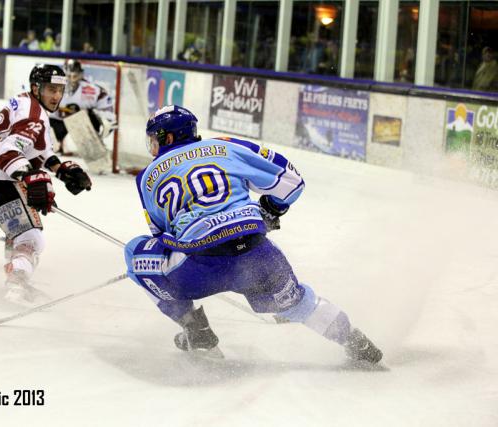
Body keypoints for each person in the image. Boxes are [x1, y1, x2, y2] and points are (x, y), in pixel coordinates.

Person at [123, 105, 383, 364]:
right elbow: (292, 181)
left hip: (197, 268)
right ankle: (355, 342)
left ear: (167, 138)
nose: (153, 146)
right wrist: (271, 209)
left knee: (134, 251)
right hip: (257, 257)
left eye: (154, 139)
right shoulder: (227, 146)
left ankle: (196, 330)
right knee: (300, 303)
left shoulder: (146, 177)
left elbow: (160, 235)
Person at [0, 64, 92, 304]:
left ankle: (14, 267)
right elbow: (8, 151)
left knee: (18, 226)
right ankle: (17, 283)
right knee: (31, 237)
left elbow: (36, 151)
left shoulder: (28, 104)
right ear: (36, 88)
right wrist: (29, 177)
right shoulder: (34, 114)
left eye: (60, 90)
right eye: (51, 89)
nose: (56, 96)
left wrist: (61, 170)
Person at [49, 59, 117, 154]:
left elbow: (107, 110)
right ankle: (59, 143)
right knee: (49, 147)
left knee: (93, 151)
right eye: (68, 76)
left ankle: (92, 144)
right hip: (58, 122)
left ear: (81, 74)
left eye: (75, 76)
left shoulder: (93, 90)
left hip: (81, 124)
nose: (71, 79)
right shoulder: (52, 89)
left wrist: (106, 122)